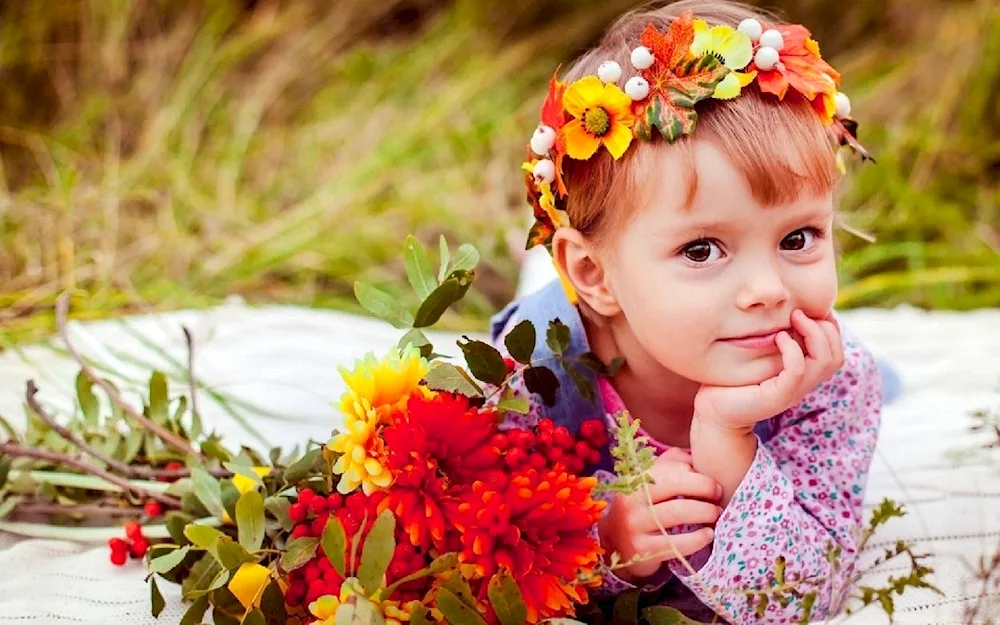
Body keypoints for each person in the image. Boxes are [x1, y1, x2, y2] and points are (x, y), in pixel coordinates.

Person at [488, 1, 888, 622]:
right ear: (593, 275)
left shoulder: (829, 382)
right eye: (701, 249)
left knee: (883, 374)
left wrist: (729, 437)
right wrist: (601, 539)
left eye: (799, 238)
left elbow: (804, 600)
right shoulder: (529, 378)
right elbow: (479, 554)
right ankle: (551, 268)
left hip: (739, 346)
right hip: (580, 325)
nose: (768, 290)